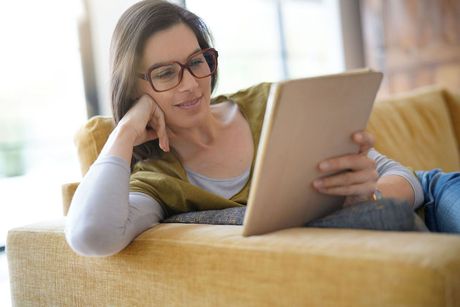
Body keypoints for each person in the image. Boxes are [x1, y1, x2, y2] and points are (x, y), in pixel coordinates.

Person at [65, 0, 450, 257]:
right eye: (165, 73)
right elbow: (91, 235)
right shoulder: (158, 180)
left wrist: (368, 195)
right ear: (133, 88)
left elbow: (409, 180)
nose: (189, 84)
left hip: (437, 193)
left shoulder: (269, 105)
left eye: (197, 61)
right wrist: (125, 129)